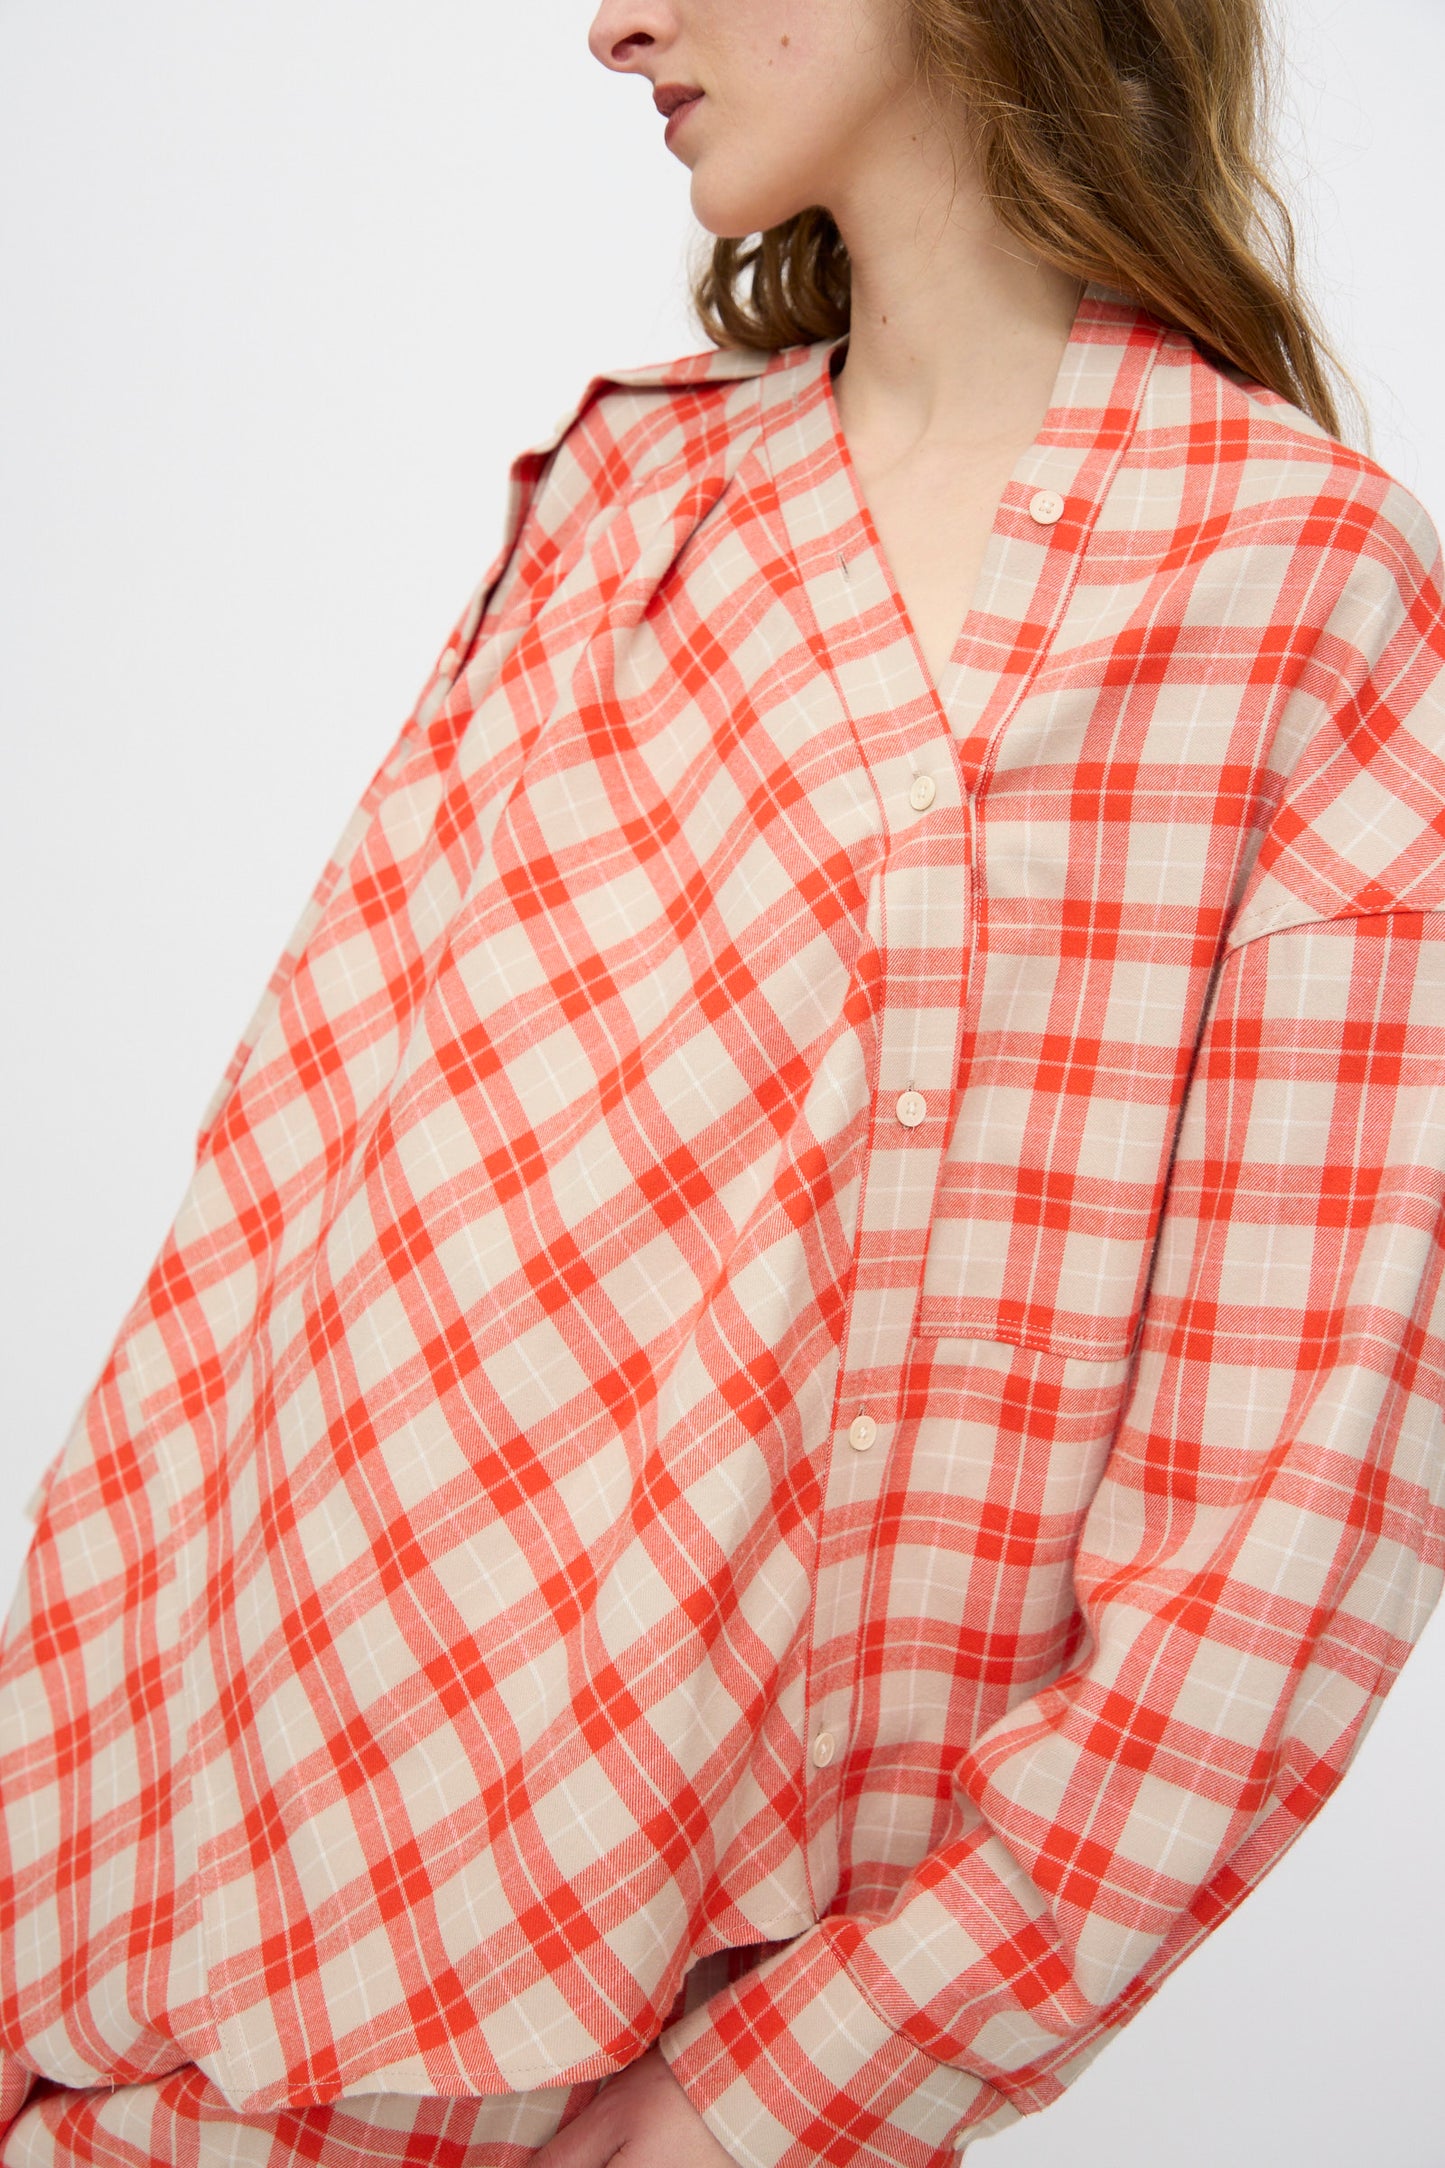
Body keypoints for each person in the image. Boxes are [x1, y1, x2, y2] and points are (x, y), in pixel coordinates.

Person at [1, 0, 1442, 2163]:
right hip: (194, 1945)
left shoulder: (1295, 590)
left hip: (648, 2035)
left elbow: (1286, 1536)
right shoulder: (626, 502)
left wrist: (761, 2107)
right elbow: (265, 1260)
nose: (614, 24)